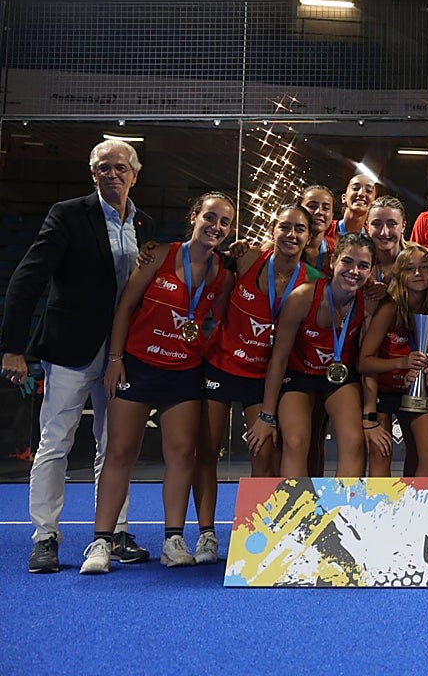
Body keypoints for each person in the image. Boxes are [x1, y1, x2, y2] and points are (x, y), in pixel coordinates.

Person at [2, 139, 155, 573]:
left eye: (120, 167)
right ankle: (45, 536)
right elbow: (28, 277)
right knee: (55, 443)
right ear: (93, 175)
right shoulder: (67, 214)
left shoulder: (143, 223)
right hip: (71, 350)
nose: (112, 174)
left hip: (122, 353)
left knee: (116, 445)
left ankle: (115, 532)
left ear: (134, 174)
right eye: (103, 167)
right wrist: (13, 347)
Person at [81, 192, 234, 574]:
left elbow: (218, 319)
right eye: (210, 218)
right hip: (138, 366)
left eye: (225, 223)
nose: (216, 227)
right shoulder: (160, 255)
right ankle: (100, 542)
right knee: (120, 452)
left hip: (184, 373)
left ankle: (172, 539)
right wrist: (115, 360)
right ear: (194, 217)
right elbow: (126, 307)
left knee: (181, 455)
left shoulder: (222, 275)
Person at [201, 205, 322, 508]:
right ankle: (206, 534)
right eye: (284, 227)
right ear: (272, 230)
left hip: (264, 378)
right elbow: (209, 265)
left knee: (264, 453)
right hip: (222, 365)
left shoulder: (315, 281)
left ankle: (262, 537)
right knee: (204, 451)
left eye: (299, 229)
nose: (291, 234)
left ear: (308, 238)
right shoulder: (247, 258)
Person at [249, 233, 376, 479]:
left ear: (371, 271)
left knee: (353, 440)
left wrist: (369, 416)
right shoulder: (302, 297)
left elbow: (367, 361)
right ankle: (296, 514)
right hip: (298, 376)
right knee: (295, 440)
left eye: (363, 266)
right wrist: (266, 415)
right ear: (333, 262)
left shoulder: (369, 304)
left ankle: (344, 512)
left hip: (340, 378)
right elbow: (279, 358)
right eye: (347, 262)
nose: (354, 271)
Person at [358, 243, 428, 478]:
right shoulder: (389, 309)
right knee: (380, 452)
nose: (418, 273)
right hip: (383, 391)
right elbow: (364, 362)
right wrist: (402, 362)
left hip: (417, 392)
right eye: (410, 268)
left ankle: (415, 508)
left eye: (423, 267)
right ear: (400, 274)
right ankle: (380, 512)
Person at [299, 183, 337, 274]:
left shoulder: (337, 250)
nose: (319, 212)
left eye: (326, 208)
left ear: (332, 215)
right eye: (312, 206)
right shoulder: (284, 242)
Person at [333, 172, 378, 238]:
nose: (361, 194)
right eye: (355, 188)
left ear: (373, 203)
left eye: (368, 191)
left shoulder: (373, 239)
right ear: (344, 198)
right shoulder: (325, 229)